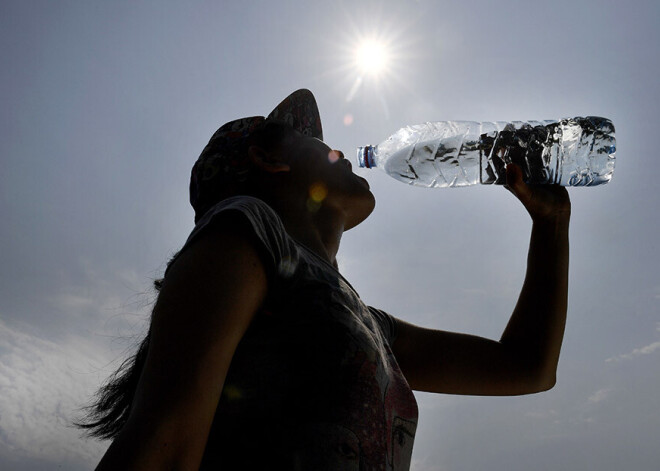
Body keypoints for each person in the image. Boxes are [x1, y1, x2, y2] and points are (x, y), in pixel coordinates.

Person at [80, 89, 571, 470]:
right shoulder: (246, 230)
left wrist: (550, 225)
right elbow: (163, 449)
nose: (342, 152)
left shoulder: (364, 321)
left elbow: (526, 368)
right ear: (271, 160)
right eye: (321, 145)